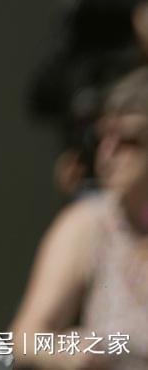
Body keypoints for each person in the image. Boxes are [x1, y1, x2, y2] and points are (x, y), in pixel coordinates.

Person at [10, 67, 148, 369]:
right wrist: (68, 351)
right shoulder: (89, 223)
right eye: (102, 137)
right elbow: (24, 338)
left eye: (128, 140)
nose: (107, 153)